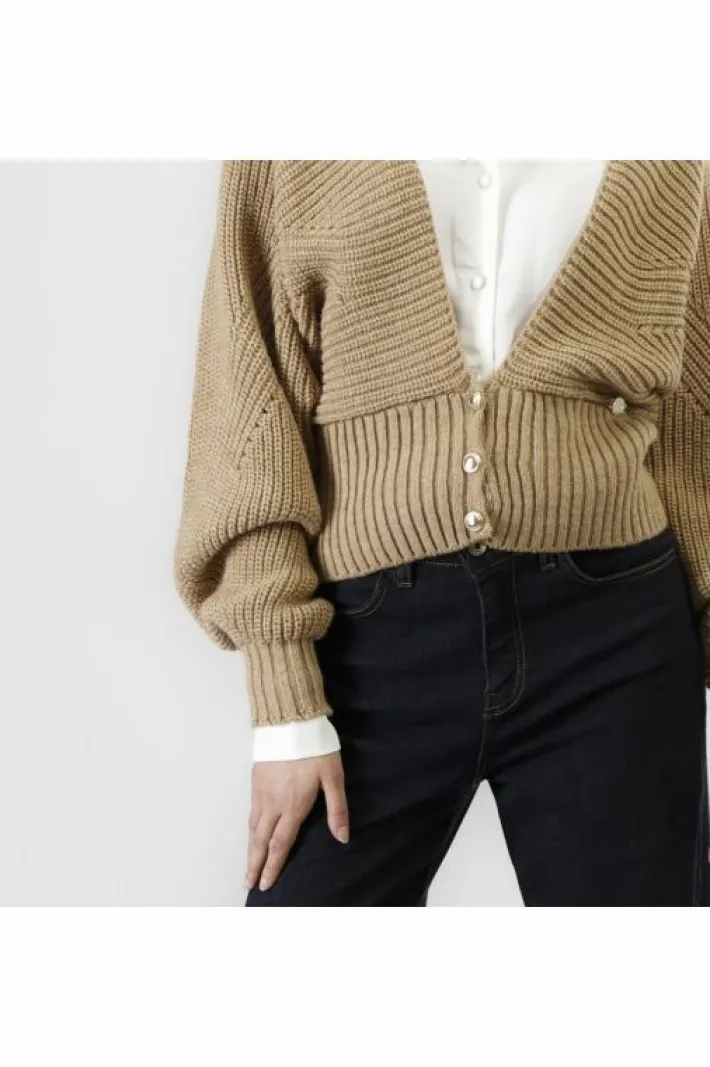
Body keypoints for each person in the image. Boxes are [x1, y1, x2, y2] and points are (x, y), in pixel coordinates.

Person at [173, 159, 710, 906]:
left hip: (615, 638)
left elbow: (694, 414)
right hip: (365, 650)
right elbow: (250, 393)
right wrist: (285, 707)